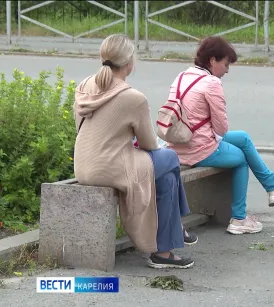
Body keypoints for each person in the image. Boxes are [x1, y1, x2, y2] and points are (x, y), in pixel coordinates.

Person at [73, 34, 196, 269]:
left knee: (168, 177)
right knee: (169, 157)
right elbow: (149, 144)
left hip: (83, 165)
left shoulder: (85, 85)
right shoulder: (133, 98)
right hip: (110, 167)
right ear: (129, 63)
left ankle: (165, 251)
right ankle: (173, 231)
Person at [164, 36, 274, 235]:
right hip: (196, 148)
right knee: (240, 158)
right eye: (226, 64)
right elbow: (221, 129)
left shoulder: (182, 76)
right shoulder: (211, 83)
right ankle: (239, 218)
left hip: (177, 143)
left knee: (244, 138)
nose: (227, 70)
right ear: (212, 60)